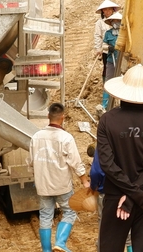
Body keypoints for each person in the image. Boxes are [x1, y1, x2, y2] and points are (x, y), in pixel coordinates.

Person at [96, 64, 143, 252]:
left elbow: (107, 164)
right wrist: (137, 195)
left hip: (115, 196)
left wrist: (130, 195)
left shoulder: (107, 120)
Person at [32, 102, 89, 252]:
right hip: (61, 185)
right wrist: (84, 181)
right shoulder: (66, 138)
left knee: (45, 215)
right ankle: (61, 243)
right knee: (69, 211)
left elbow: (31, 162)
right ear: (62, 118)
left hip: (43, 185)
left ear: (47, 116)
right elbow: (75, 162)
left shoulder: (36, 137)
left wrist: (36, 177)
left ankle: (46, 250)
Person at [99, 11, 123, 111]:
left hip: (122, 61)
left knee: (122, 82)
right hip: (110, 60)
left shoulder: (124, 34)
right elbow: (103, 46)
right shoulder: (108, 33)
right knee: (109, 81)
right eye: (114, 20)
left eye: (118, 21)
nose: (116, 22)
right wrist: (109, 47)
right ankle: (104, 105)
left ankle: (121, 104)